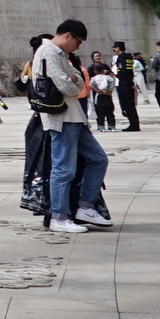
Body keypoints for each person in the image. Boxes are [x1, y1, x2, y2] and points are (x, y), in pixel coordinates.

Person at [35, 19, 112, 233]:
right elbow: (66, 86)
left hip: (74, 117)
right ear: (68, 35)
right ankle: (59, 217)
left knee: (98, 159)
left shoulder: (61, 54)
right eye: (78, 42)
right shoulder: (49, 52)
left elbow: (78, 81)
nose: (78, 47)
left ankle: (85, 207)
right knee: (63, 168)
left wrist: (74, 79)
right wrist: (75, 80)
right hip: (62, 118)